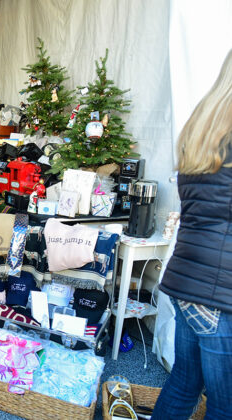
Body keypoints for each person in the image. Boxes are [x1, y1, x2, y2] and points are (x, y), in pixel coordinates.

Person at [152, 50, 232, 419]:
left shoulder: (202, 129)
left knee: (185, 383)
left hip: (188, 281)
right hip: (220, 291)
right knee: (224, 403)